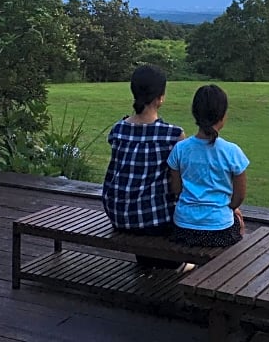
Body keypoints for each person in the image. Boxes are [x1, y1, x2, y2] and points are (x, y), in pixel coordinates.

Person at [102, 64, 185, 268]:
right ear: (161, 97)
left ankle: (151, 262)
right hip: (154, 219)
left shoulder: (119, 129)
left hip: (118, 214)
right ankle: (180, 265)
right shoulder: (173, 135)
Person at [168, 84, 248, 248]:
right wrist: (230, 210)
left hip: (183, 227)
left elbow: (176, 189)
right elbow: (239, 196)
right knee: (239, 226)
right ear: (222, 116)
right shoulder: (232, 151)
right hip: (219, 229)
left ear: (195, 113)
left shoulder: (180, 149)